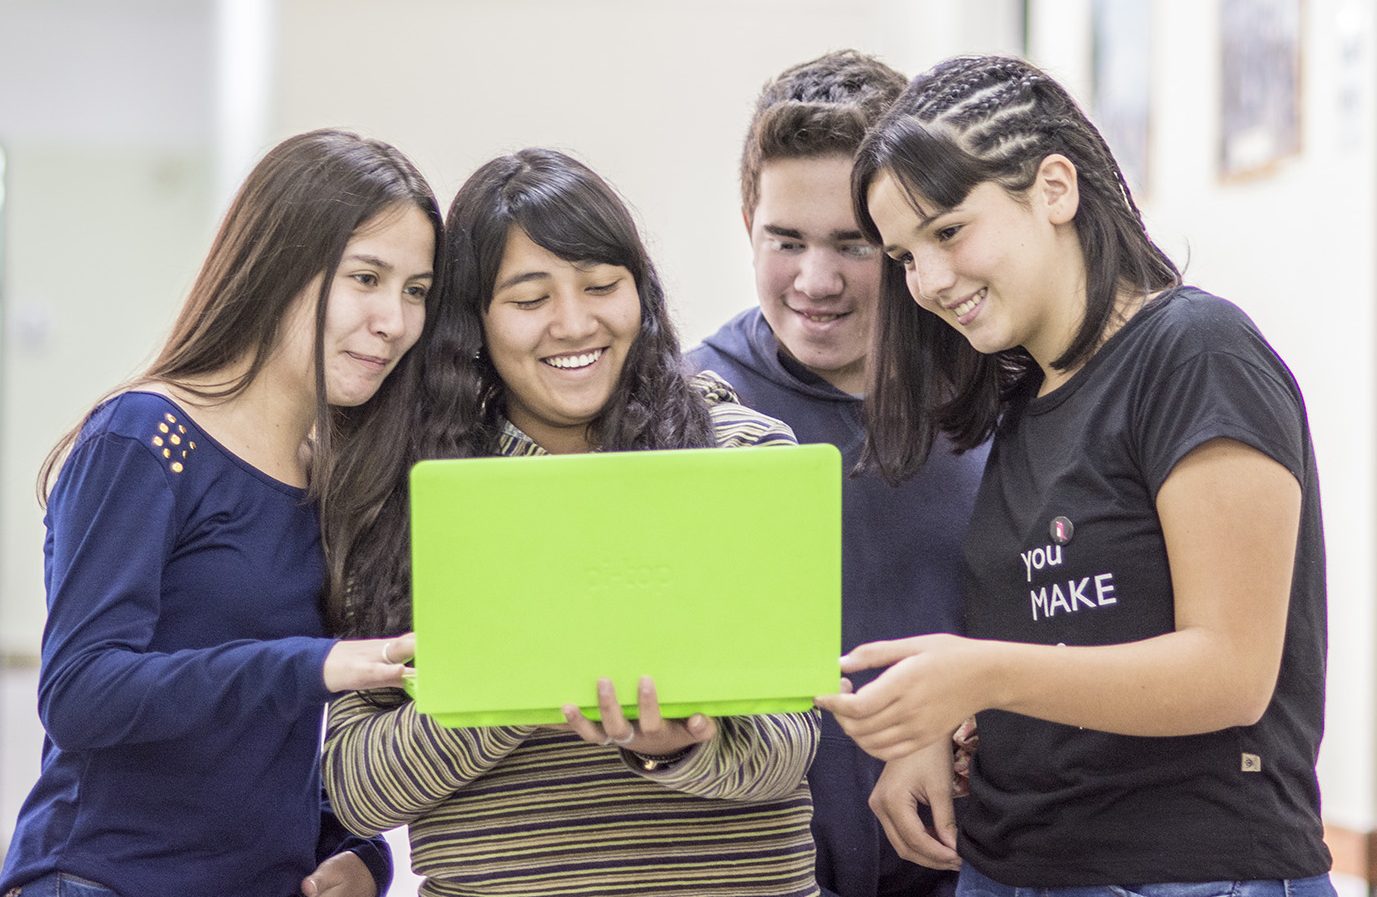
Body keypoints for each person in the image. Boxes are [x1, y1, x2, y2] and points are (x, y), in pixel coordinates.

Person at [815, 54, 1334, 896]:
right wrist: (948, 721)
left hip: (1186, 871)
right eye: (906, 257)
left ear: (1053, 188)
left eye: (946, 232)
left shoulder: (1195, 352)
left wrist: (978, 673)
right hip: (1007, 863)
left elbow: (1231, 672)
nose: (930, 282)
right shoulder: (1025, 396)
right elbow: (1076, 645)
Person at [323, 147, 821, 897]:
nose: (573, 322)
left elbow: (790, 744)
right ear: (474, 321)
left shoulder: (741, 454)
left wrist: (673, 747)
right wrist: (522, 680)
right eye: (529, 299)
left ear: (639, 295)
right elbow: (359, 786)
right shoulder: (400, 495)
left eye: (600, 286)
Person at [0, 128, 444, 897]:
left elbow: (270, 736)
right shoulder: (146, 437)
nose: (395, 322)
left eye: (415, 291)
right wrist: (316, 665)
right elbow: (81, 691)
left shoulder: (333, 479)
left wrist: (359, 852)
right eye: (366, 278)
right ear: (281, 266)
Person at [686, 50, 987, 897]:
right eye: (785, 240)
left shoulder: (995, 395)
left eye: (852, 245)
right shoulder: (679, 414)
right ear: (747, 218)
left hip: (970, 868)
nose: (815, 282)